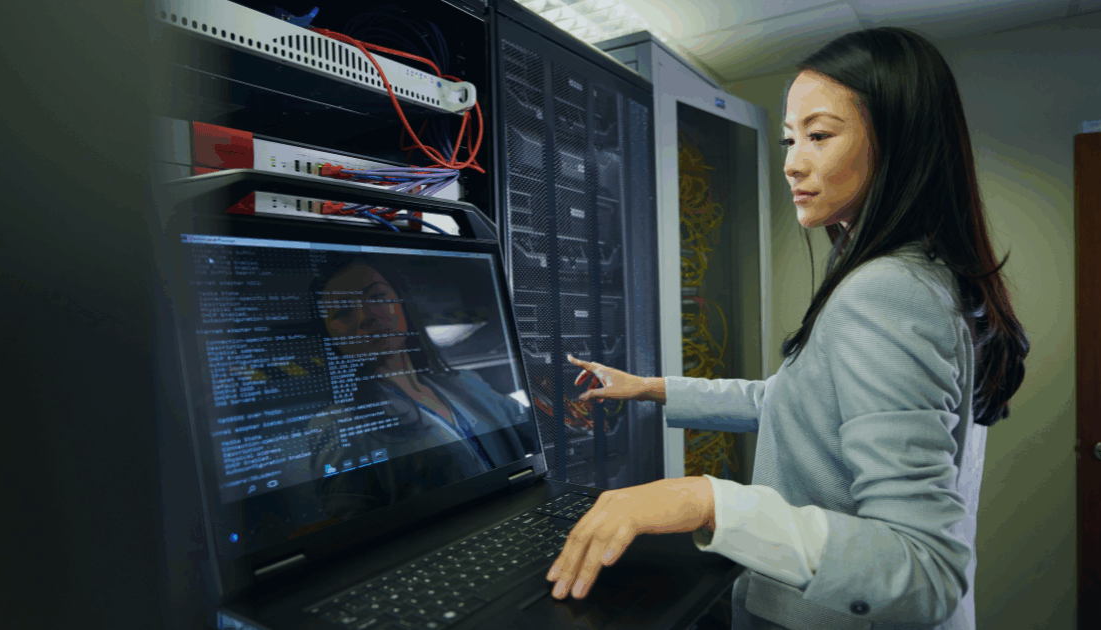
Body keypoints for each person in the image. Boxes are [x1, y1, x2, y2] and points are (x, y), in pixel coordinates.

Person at [544, 26, 1029, 630]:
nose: (792, 163)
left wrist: (708, 501)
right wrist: (650, 388)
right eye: (789, 139)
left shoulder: (887, 290)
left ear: (899, 142)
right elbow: (793, 401)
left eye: (820, 136)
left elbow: (924, 568)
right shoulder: (924, 271)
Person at [305, 258, 534, 519]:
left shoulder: (465, 381)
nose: (366, 316)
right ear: (330, 336)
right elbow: (352, 530)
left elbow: (531, 429)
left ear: (401, 304)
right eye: (343, 311)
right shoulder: (336, 423)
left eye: (377, 296)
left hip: (520, 518)